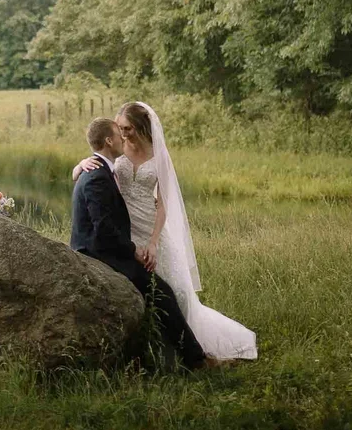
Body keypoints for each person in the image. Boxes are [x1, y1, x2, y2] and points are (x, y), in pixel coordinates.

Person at [72, 101, 257, 362]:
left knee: (175, 290)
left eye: (127, 128)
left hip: (147, 222)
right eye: (120, 129)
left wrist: (154, 240)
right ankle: (159, 350)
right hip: (123, 229)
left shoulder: (158, 155)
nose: (123, 134)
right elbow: (100, 161)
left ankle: (182, 347)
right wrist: (80, 165)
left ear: (140, 127)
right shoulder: (117, 148)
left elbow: (164, 203)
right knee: (150, 288)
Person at [70, 115, 207, 370]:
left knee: (162, 290)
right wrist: (133, 251)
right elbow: (105, 232)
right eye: (118, 133)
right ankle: (196, 361)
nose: (124, 137)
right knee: (161, 292)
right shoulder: (97, 175)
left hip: (106, 245)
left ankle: (184, 355)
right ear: (109, 140)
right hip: (97, 253)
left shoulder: (101, 169)